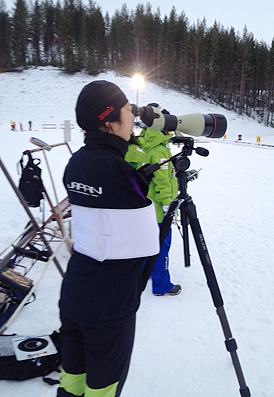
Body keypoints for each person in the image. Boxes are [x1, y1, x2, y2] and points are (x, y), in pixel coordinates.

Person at [57, 80, 160, 397]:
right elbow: (147, 248)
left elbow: (102, 214)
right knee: (102, 390)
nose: (134, 117)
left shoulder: (76, 162)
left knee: (72, 382)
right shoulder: (116, 169)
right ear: (109, 121)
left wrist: (132, 182)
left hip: (75, 295)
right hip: (108, 309)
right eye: (129, 111)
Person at [125, 106, 181, 296]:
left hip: (142, 209)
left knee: (145, 246)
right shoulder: (159, 150)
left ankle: (144, 274)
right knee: (161, 248)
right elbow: (162, 180)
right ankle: (162, 286)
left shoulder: (138, 145)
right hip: (158, 210)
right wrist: (168, 203)